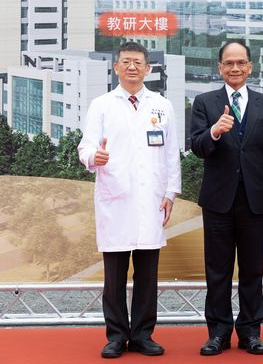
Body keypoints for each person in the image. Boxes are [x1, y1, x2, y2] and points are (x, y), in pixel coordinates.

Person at [78, 41, 181, 358]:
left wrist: (170, 193)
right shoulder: (101, 105)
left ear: (148, 68)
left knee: (148, 276)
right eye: (126, 62)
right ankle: (116, 336)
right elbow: (85, 147)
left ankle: (142, 335)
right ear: (116, 67)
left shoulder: (161, 105)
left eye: (138, 62)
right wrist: (94, 157)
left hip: (151, 201)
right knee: (114, 277)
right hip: (116, 200)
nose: (132, 67)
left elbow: (171, 153)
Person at [190, 40, 263, 356]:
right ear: (219, 67)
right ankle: (218, 333)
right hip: (218, 201)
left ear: (250, 66)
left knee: (252, 270)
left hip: (255, 201)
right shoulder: (204, 102)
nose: (235, 68)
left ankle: (250, 332)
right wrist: (215, 131)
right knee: (218, 270)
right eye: (228, 63)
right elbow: (197, 147)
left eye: (241, 62)